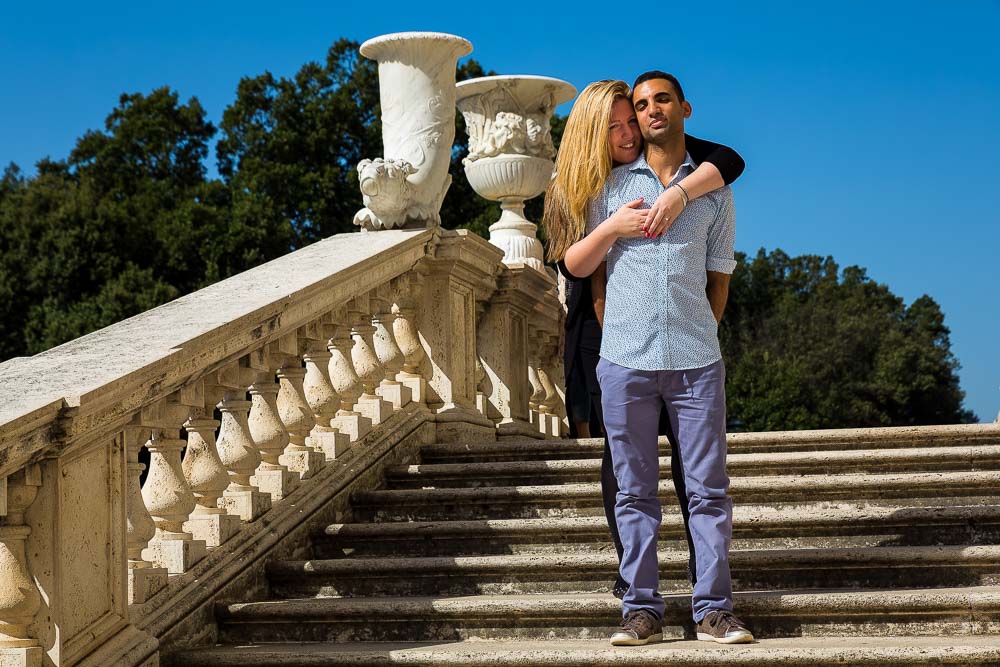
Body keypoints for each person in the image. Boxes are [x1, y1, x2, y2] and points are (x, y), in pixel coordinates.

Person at [563, 72, 752, 647]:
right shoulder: (608, 188)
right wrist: (619, 336)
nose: (650, 112)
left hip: (697, 362)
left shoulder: (714, 191)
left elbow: (719, 281)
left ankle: (714, 610)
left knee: (708, 491)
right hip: (624, 364)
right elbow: (588, 275)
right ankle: (641, 610)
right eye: (640, 105)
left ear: (684, 108)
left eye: (660, 100)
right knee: (633, 492)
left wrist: (696, 335)